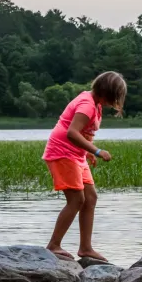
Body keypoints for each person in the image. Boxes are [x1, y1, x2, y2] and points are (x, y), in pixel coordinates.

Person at [43, 71, 127, 262]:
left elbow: (80, 133)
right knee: (76, 200)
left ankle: (86, 248)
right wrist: (97, 151)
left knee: (90, 197)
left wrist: (86, 151)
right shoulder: (87, 105)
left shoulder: (95, 103)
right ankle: (53, 245)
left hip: (76, 154)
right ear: (108, 92)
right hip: (62, 153)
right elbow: (72, 132)